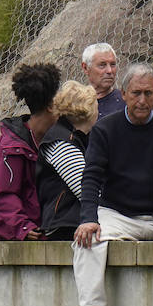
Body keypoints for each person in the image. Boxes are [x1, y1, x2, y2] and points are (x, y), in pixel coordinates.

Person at [72, 62, 153, 306]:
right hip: (117, 213)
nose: (142, 100)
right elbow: (91, 176)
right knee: (87, 240)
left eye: (148, 93)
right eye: (136, 93)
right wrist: (88, 218)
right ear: (123, 94)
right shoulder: (106, 129)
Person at [0, 63, 61, 241]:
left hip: (41, 232)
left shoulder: (57, 139)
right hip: (5, 237)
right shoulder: (11, 147)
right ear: (50, 105)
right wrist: (23, 226)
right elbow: (6, 194)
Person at [38, 81, 98, 240]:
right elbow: (85, 189)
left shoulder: (78, 138)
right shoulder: (61, 142)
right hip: (64, 225)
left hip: (75, 223)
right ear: (89, 111)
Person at [82, 43, 124, 119]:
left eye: (113, 64)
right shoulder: (76, 104)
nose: (109, 70)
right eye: (102, 65)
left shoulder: (125, 103)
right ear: (85, 68)